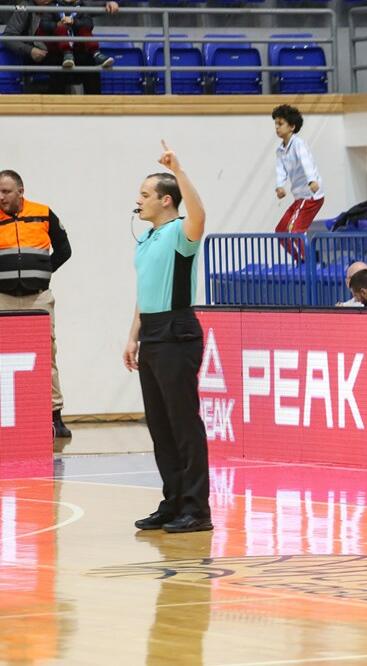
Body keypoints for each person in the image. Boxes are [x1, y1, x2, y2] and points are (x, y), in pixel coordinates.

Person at [125, 141, 212, 534]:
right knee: (159, 425)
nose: (138, 201)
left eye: (144, 195)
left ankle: (197, 509)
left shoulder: (181, 232)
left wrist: (179, 169)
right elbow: (144, 293)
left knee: (183, 423)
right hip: (153, 335)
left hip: (178, 334)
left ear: (165, 199)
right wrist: (133, 336)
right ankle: (173, 501)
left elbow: (201, 212)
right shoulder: (146, 240)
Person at [0, 169, 72, 439]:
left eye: (6, 191)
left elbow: (64, 249)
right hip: (3, 298)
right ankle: (7, 418)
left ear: (21, 191)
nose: (1, 197)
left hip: (39, 297)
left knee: (47, 354)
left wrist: (44, 271)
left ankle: (55, 416)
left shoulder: (43, 213)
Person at [2, 0, 119, 93]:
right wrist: (30, 50)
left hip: (68, 50)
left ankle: (97, 108)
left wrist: (107, 4)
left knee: (89, 61)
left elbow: (86, 5)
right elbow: (8, 36)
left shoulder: (61, 2)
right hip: (43, 52)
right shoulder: (24, 7)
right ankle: (56, 111)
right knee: (58, 64)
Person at [273, 104, 324, 262]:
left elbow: (306, 162)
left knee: (295, 231)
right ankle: (301, 260)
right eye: (276, 124)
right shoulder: (280, 150)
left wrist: (311, 180)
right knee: (281, 231)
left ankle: (312, 262)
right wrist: (280, 186)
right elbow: (281, 170)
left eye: (280, 124)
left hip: (310, 196)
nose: (277, 127)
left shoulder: (298, 144)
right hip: (299, 198)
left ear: (292, 126)